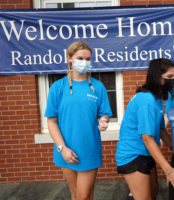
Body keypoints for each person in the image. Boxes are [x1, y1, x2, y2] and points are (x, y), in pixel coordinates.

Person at [45, 41, 112, 200]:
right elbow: (51, 122)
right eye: (80, 58)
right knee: (76, 195)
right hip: (65, 150)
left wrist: (103, 120)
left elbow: (104, 114)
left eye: (88, 59)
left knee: (82, 196)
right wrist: (63, 148)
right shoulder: (58, 87)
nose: (85, 62)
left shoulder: (98, 87)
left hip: (89, 149)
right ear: (69, 58)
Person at [115, 58, 174, 200]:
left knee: (153, 192)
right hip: (132, 154)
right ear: (157, 78)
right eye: (170, 77)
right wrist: (168, 171)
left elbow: (161, 129)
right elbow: (147, 138)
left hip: (145, 153)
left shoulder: (158, 98)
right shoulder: (146, 100)